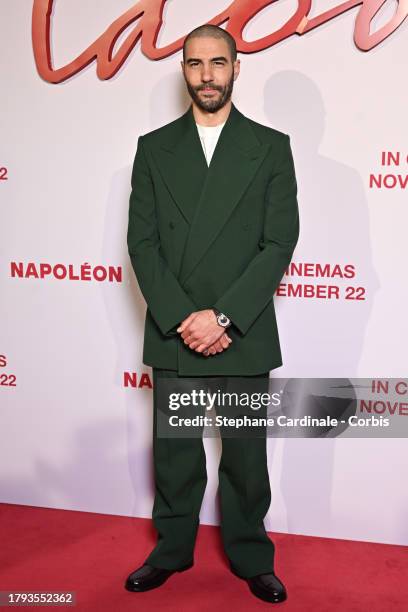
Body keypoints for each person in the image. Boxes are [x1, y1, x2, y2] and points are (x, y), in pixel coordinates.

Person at [124, 24, 299, 604]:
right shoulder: (154, 148)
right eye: (195, 64)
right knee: (176, 453)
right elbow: (142, 245)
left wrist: (222, 317)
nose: (206, 75)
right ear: (183, 69)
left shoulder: (271, 147)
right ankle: (171, 549)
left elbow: (279, 243)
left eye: (218, 63)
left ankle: (251, 554)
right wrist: (183, 318)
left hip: (240, 328)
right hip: (178, 330)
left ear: (235, 68)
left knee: (246, 456)